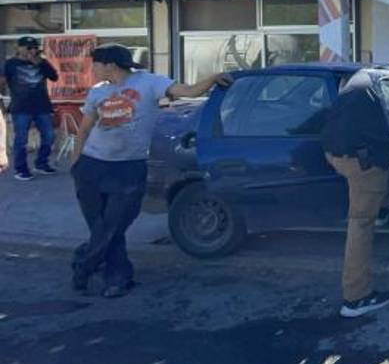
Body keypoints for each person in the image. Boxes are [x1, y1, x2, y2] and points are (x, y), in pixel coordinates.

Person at [70, 44, 232, 298]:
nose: (93, 69)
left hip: (128, 168)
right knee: (101, 228)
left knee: (114, 225)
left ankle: (84, 265)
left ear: (110, 64)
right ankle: (118, 279)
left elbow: (187, 91)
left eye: (95, 64)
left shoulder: (149, 83)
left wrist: (211, 79)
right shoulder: (97, 92)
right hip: (92, 166)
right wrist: (75, 163)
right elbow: (84, 129)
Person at [321, 68, 389, 318]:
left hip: (333, 153)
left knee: (373, 191)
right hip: (360, 161)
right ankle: (356, 298)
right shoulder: (387, 85)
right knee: (361, 225)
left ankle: (382, 210)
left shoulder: (362, 78)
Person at [3, 37, 59, 181]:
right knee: (21, 139)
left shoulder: (41, 62)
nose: (32, 51)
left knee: (49, 136)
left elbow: (54, 77)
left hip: (42, 106)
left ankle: (41, 163)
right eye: (28, 48)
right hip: (20, 107)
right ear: (19, 48)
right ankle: (21, 169)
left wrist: (40, 63)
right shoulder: (10, 64)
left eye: (35, 48)